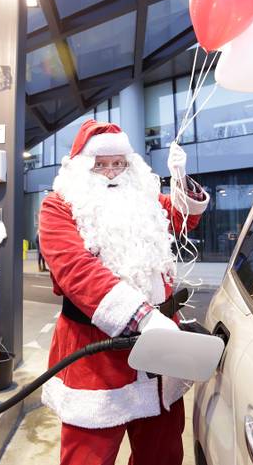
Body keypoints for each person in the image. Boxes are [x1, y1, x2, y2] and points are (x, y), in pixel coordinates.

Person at [39, 119, 210, 465]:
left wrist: (181, 179)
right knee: (89, 456)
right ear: (82, 168)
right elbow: (76, 271)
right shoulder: (58, 207)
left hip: (160, 354)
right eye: (101, 165)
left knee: (162, 453)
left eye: (119, 163)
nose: (112, 172)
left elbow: (181, 219)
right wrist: (143, 317)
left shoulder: (145, 200)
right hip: (95, 355)